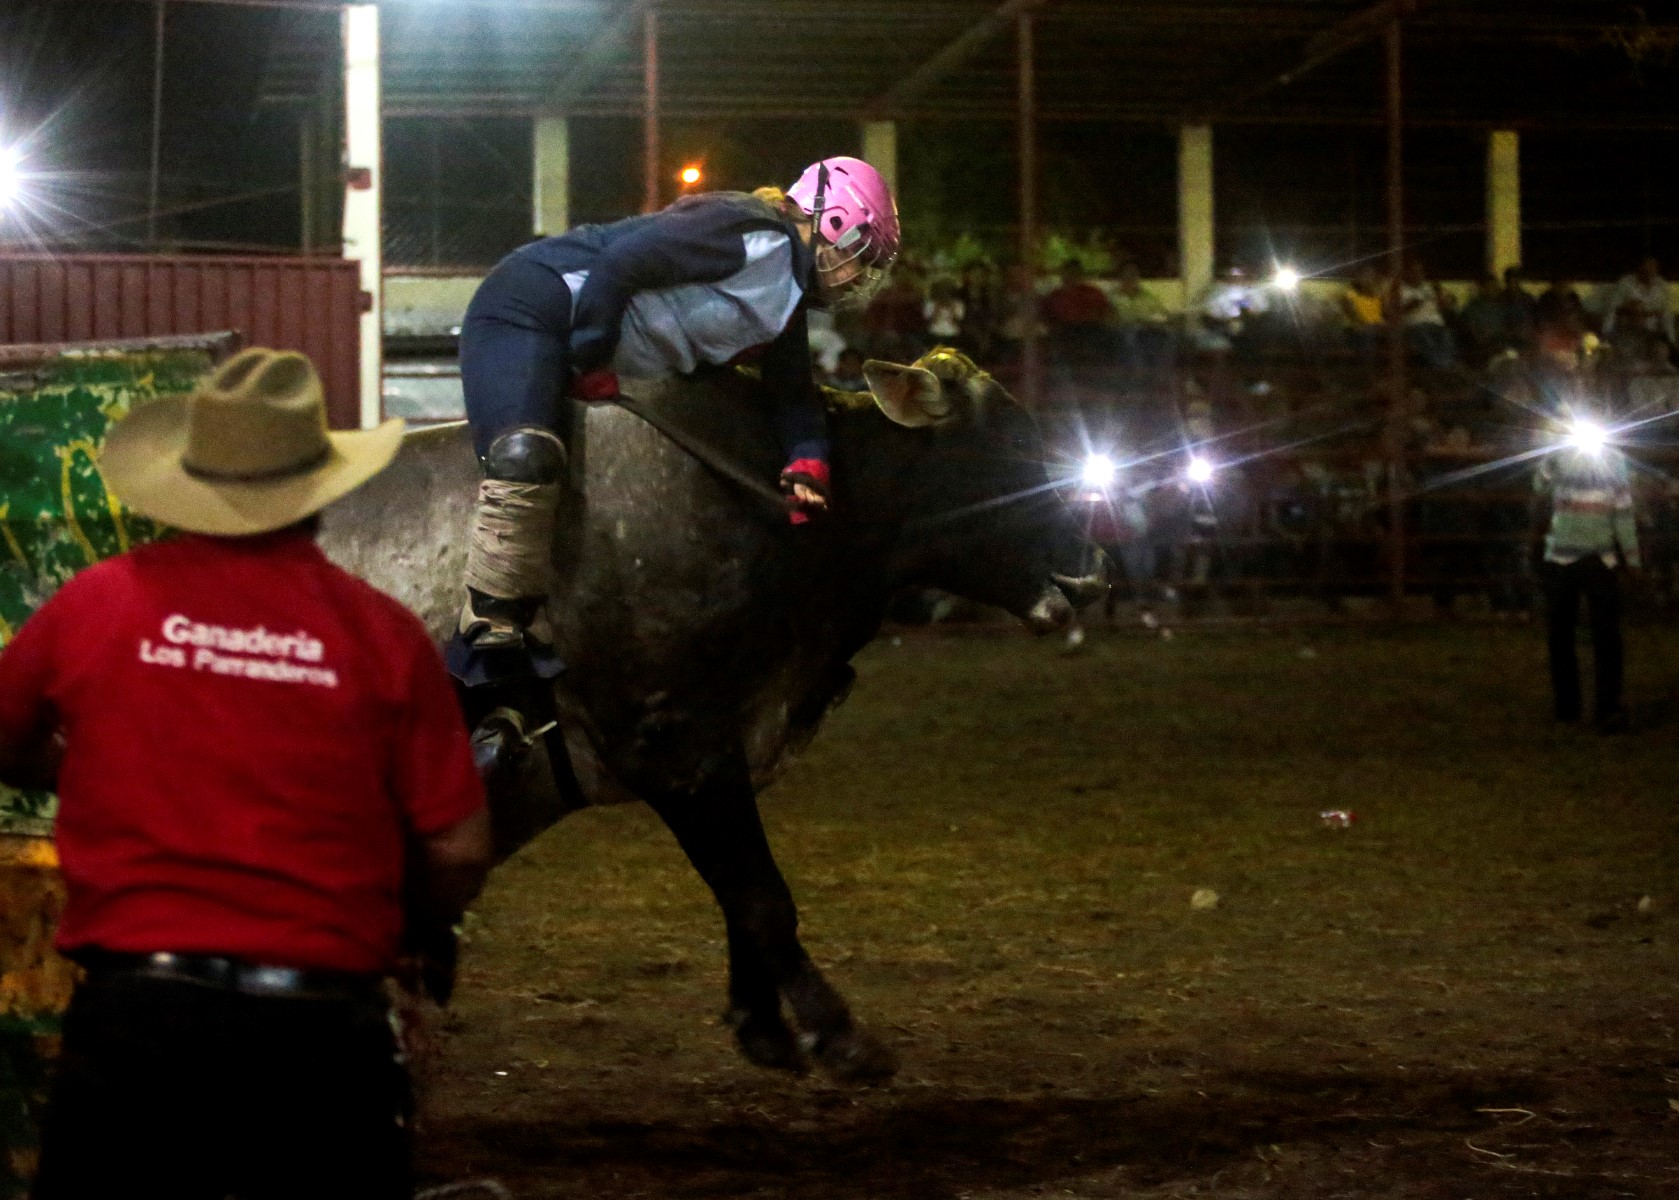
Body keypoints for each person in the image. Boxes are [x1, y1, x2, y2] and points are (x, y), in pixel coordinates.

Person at [0, 348, 492, 1199]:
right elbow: (457, 846)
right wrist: (409, 926)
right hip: (318, 1036)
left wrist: (84, 772)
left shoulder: (98, 602)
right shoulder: (380, 635)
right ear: (317, 490)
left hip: (135, 1024)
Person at [455, 156, 900, 657]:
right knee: (525, 456)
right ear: (831, 218)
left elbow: (792, 394)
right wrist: (590, 359)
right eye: (860, 255)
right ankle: (489, 635)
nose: (857, 275)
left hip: (573, 334)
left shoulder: (787, 295)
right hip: (531, 305)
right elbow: (622, 262)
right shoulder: (756, 235)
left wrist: (808, 462)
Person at [1534, 416, 1640, 733]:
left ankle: (1602, 707)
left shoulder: (1615, 463)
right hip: (1570, 556)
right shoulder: (1560, 459)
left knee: (1603, 634)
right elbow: (1539, 484)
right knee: (1562, 635)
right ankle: (1573, 708)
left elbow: (1622, 510)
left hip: (1593, 557)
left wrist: (1631, 556)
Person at [1109, 261, 1175, 389]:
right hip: (1127, 332)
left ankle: (1162, 381)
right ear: (1121, 278)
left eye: (1134, 275)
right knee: (1131, 339)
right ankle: (1138, 383)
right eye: (1127, 275)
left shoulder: (1148, 297)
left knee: (1169, 337)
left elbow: (1163, 314)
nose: (1131, 278)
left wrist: (1162, 321)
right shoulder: (1113, 297)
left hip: (1150, 331)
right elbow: (1110, 320)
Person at [1394, 259, 1455, 369]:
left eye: (1420, 272)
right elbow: (1397, 311)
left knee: (1448, 335)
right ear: (1408, 273)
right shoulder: (1401, 289)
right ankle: (1440, 365)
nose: (1419, 275)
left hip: (1436, 323)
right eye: (1415, 272)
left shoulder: (1428, 288)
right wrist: (1413, 303)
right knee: (1424, 335)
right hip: (1416, 324)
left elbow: (1442, 306)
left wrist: (1444, 301)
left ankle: (1446, 364)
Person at [1601, 256, 1674, 346]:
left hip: (1652, 335)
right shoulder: (1626, 283)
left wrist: (1670, 342)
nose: (1650, 270)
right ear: (1639, 267)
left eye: (1653, 267)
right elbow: (1612, 308)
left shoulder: (1662, 286)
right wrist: (1606, 335)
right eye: (1647, 267)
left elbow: (1666, 315)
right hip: (1627, 332)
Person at [1340, 266, 1387, 357]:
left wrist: (1382, 323)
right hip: (1354, 330)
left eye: (1371, 276)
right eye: (1366, 276)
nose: (1369, 278)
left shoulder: (1378, 295)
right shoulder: (1350, 295)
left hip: (1376, 329)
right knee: (1367, 336)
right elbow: (1352, 316)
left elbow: (1382, 315)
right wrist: (1370, 324)